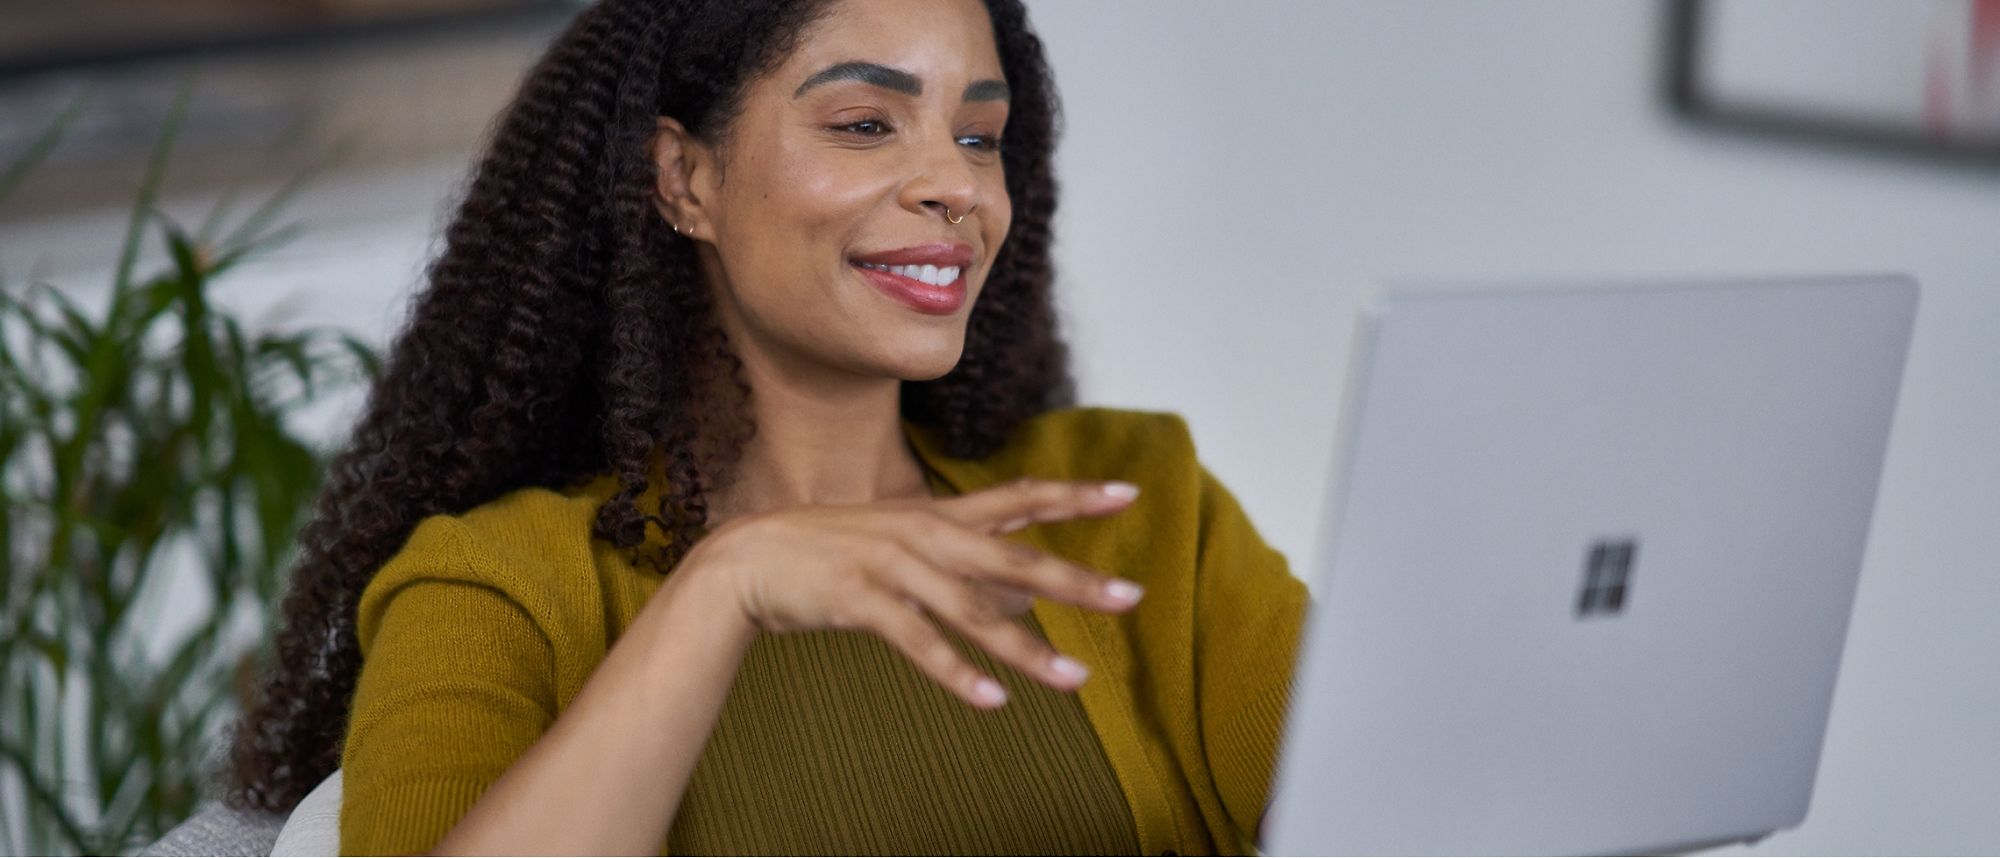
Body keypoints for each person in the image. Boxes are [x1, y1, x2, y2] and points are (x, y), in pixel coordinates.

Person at [226, 0, 1306, 853]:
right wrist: (721, 589)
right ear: (683, 177)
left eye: (979, 136)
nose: (955, 186)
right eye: (865, 124)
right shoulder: (494, 583)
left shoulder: (1132, 497)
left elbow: (1419, 809)